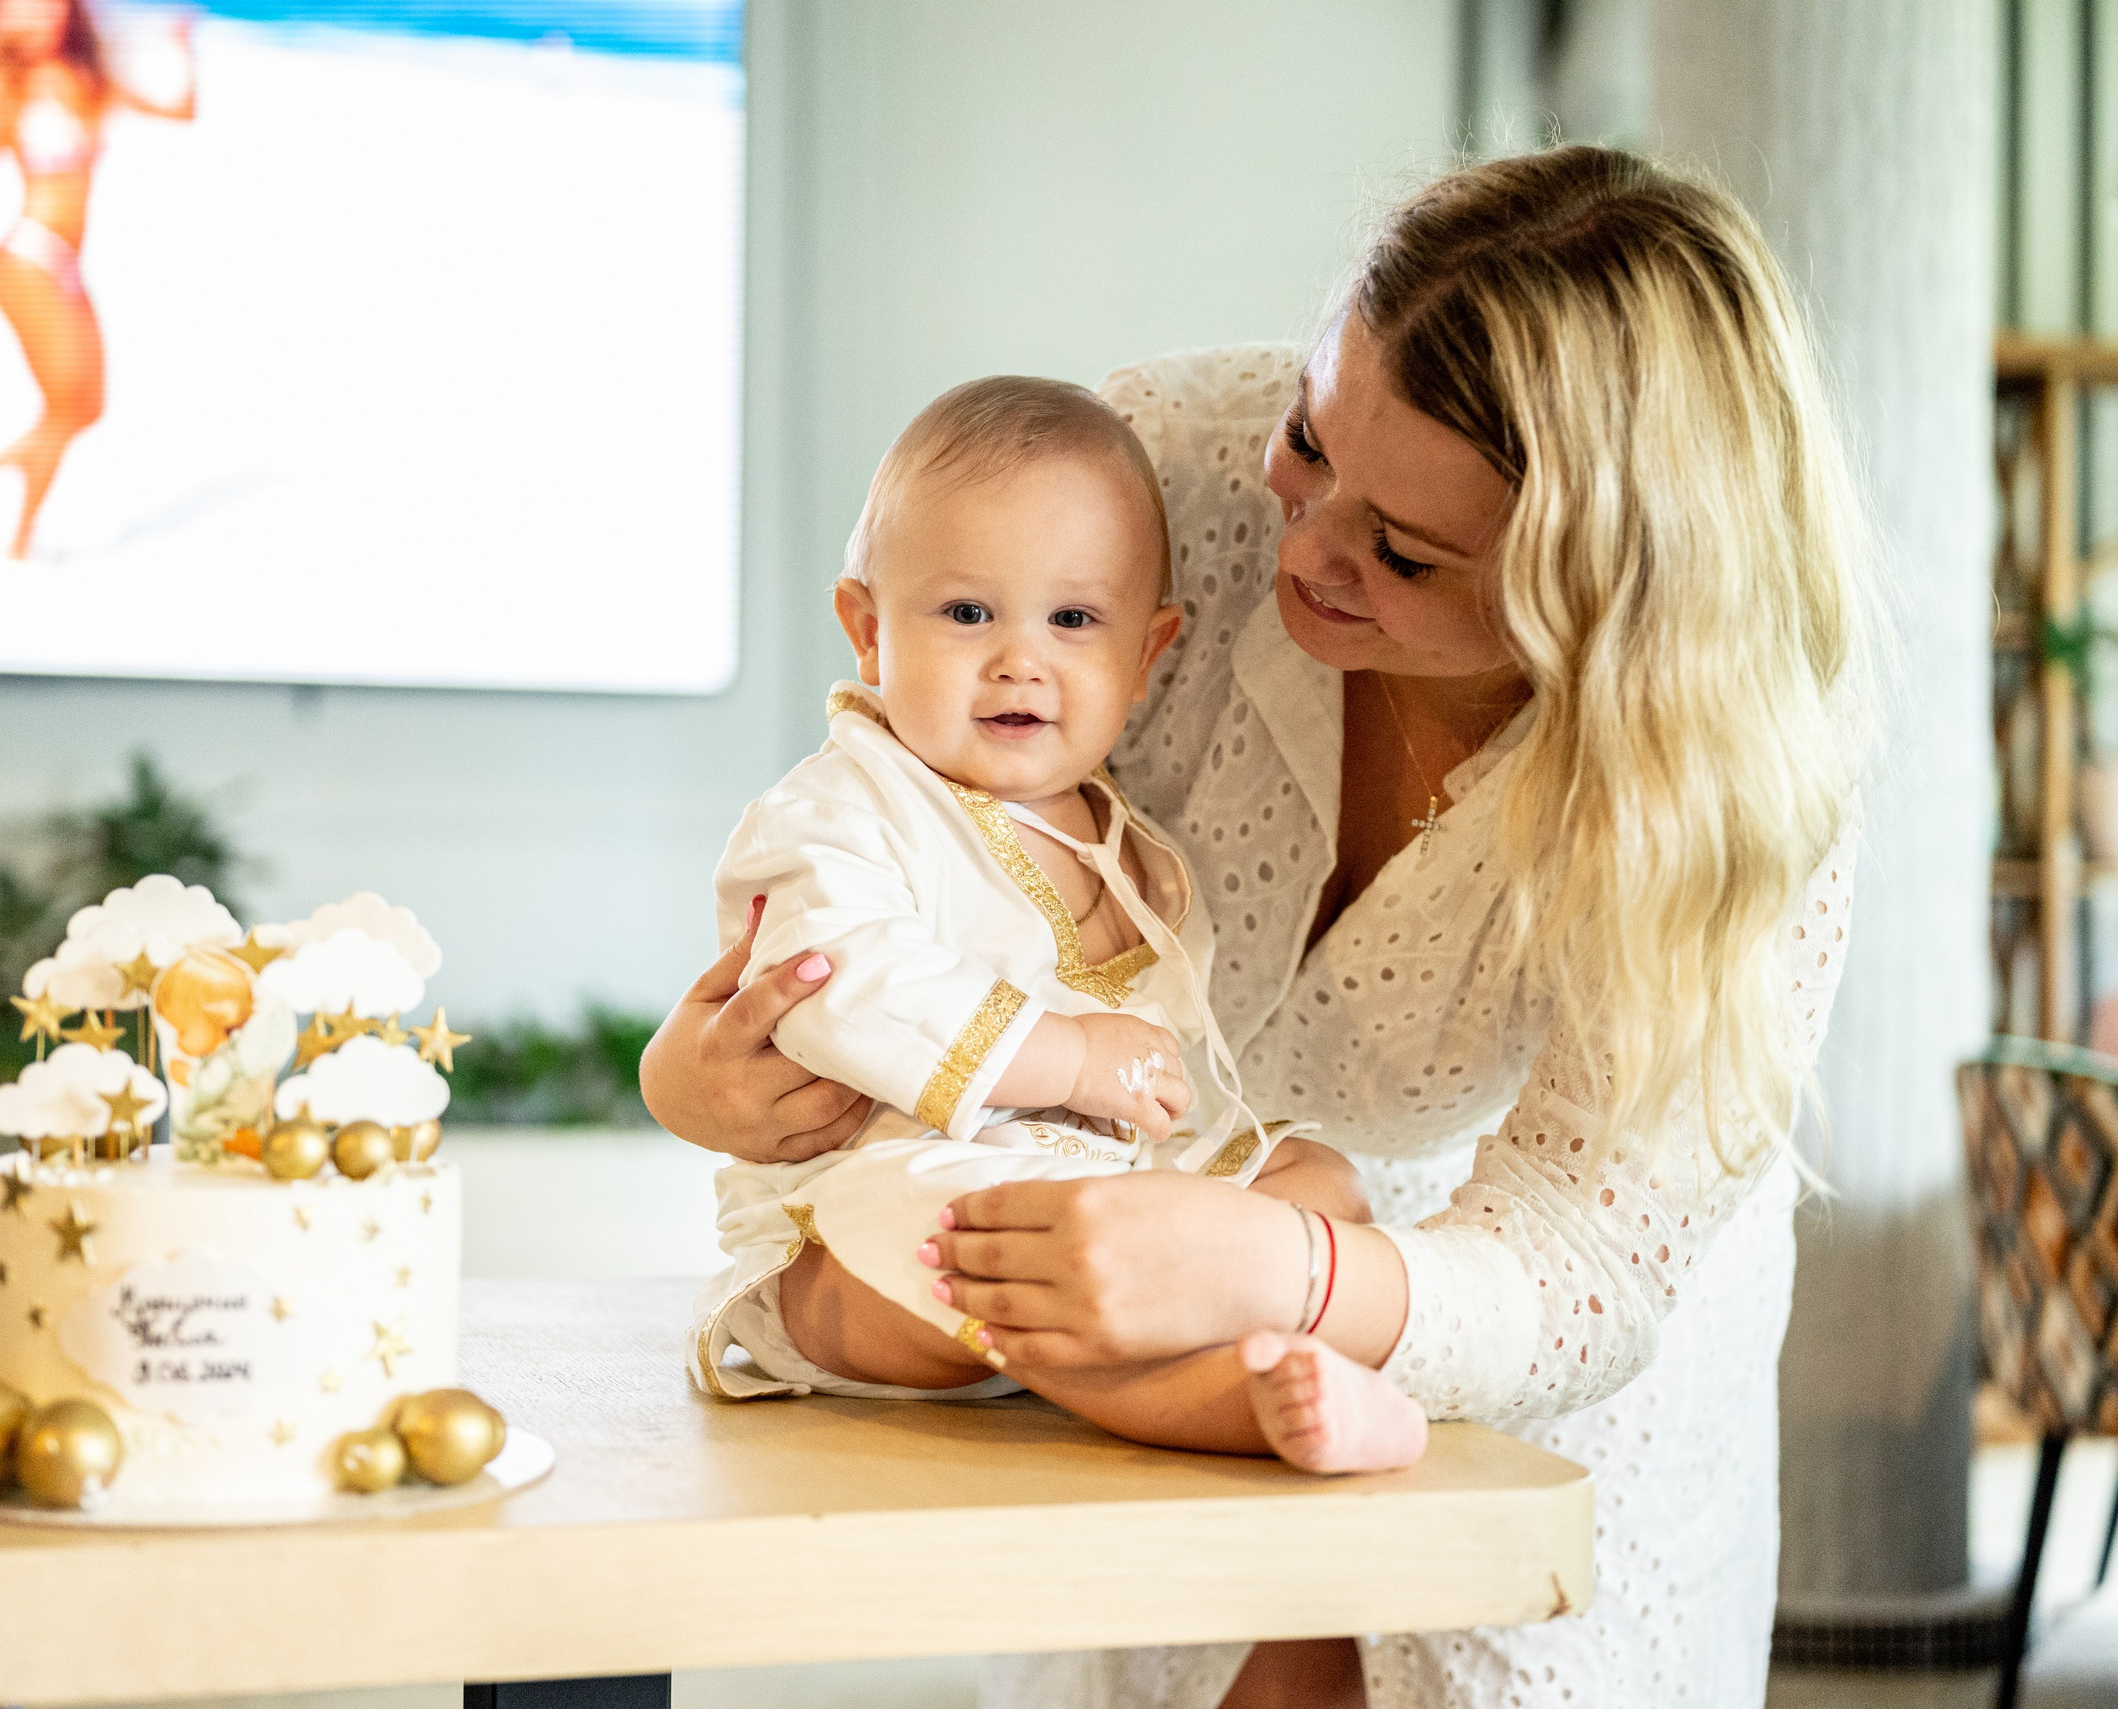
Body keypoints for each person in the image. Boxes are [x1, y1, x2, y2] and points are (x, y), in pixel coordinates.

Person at [641, 144, 1871, 1709]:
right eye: (1309, 438)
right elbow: (897, 817)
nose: (1301, 547)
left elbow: (1583, 1259)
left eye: (1403, 554)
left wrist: (1286, 1263)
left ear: (1594, 597)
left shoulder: (1732, 777)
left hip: (1520, 1326)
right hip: (1141, 1206)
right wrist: (705, 1074)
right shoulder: (1150, 476)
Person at [690, 375, 1426, 1475]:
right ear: (868, 631)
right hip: (863, 1230)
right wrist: (1071, 1057)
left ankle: (1239, 1320)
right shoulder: (841, 808)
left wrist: (1193, 1166)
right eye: (966, 613)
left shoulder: (1132, 849)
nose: (1019, 658)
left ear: (1145, 656)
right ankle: (1237, 1399)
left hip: (1091, 1191)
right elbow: (842, 984)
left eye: (1072, 620)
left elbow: (1166, 1073)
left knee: (1317, 1176)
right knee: (989, 1239)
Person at [0, 0, 195, 559]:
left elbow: (180, 111)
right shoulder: (7, 88)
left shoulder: (89, 80)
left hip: (66, 264)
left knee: (88, 407)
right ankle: (17, 539)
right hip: (28, 260)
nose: (40, 17)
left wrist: (183, 51)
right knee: (65, 409)